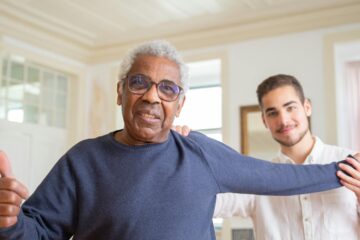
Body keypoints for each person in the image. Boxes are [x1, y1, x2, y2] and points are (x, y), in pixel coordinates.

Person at [0, 41, 357, 240]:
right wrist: (10, 223)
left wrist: (347, 167)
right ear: (120, 93)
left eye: (167, 89)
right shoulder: (83, 160)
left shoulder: (200, 153)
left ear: (180, 104)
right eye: (140, 83)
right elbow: (39, 232)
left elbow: (279, 177)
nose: (153, 97)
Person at [211, 74, 360, 239]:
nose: (283, 120)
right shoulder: (256, 180)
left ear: (307, 107)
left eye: (290, 108)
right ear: (264, 121)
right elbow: (207, 202)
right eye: (273, 113)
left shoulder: (352, 164)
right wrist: (180, 149)